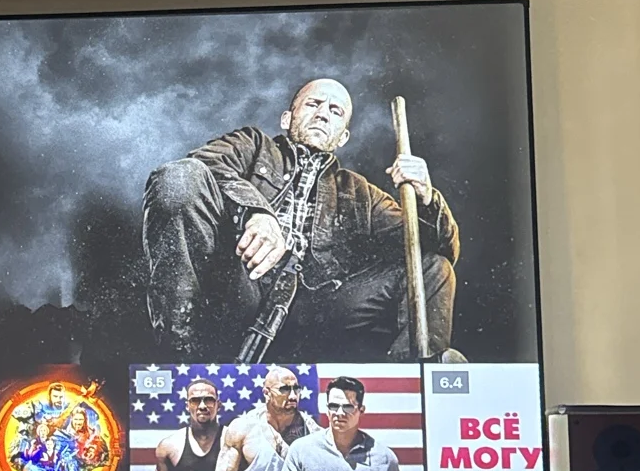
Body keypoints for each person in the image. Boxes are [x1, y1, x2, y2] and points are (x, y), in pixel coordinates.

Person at [141, 77, 459, 359]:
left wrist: (426, 197)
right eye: (313, 104)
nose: (323, 113)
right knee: (179, 178)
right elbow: (202, 165)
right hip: (243, 285)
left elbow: (438, 247)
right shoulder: (252, 145)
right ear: (287, 118)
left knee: (433, 266)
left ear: (342, 137)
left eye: (335, 111)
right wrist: (257, 212)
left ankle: (415, 378)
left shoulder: (361, 193)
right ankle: (180, 358)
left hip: (317, 310)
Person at [274, 376, 419, 471]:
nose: (339, 413)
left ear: (361, 410)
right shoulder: (301, 449)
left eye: (348, 407)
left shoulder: (383, 457)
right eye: (333, 406)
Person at [218, 364, 318, 471]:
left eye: (296, 389)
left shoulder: (312, 432)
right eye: (285, 389)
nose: (293, 396)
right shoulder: (243, 428)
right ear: (266, 393)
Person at [151, 377, 232, 471]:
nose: (202, 406)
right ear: (187, 406)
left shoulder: (234, 442)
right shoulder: (169, 446)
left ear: (218, 405)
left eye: (208, 400)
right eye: (195, 401)